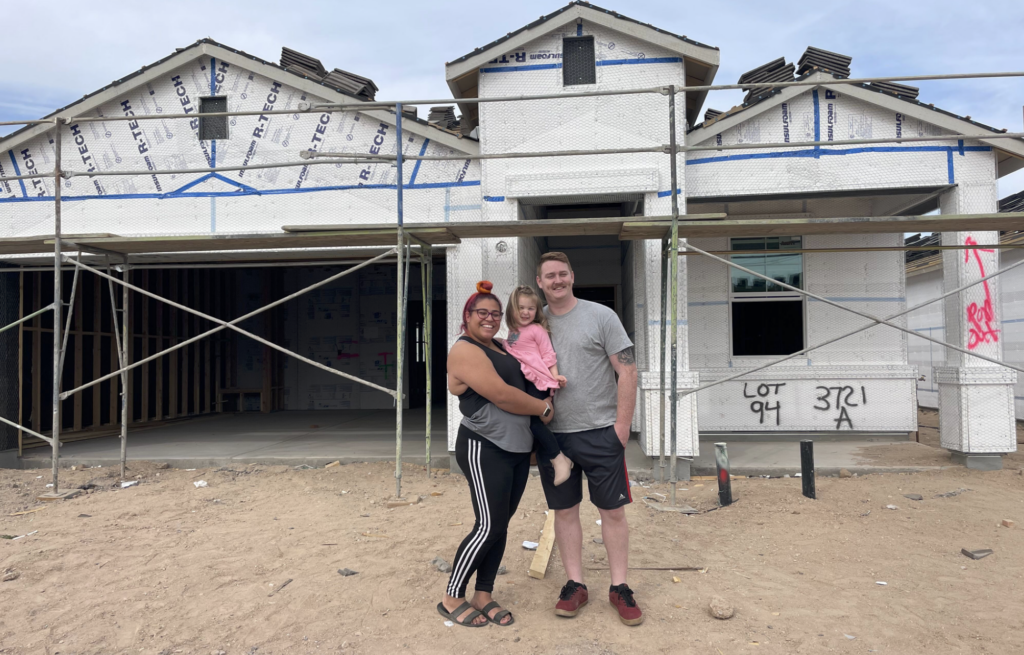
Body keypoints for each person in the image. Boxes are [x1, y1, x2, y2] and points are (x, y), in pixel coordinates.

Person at [438, 281, 555, 628]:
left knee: (500, 525)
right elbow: (503, 395)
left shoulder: (503, 346)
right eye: (481, 313)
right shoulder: (464, 350)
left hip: (515, 448)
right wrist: (543, 409)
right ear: (467, 316)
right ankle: (452, 596)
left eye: (494, 313)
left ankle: (483, 594)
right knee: (488, 525)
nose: (489, 319)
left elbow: (530, 372)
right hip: (483, 446)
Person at [534, 251, 642, 626]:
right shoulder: (534, 324)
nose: (557, 281)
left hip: (600, 432)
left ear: (573, 276)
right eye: (550, 276)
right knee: (563, 511)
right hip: (555, 438)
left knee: (612, 511)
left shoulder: (601, 316)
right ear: (540, 283)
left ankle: (620, 587)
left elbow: (627, 371)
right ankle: (575, 584)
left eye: (562, 274)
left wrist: (622, 427)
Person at [501, 285, 574, 486]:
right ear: (511, 309)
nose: (525, 312)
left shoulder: (536, 329)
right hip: (522, 380)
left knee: (532, 421)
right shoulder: (512, 331)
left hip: (537, 380)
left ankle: (558, 458)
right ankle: (535, 453)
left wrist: (556, 376)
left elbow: (548, 354)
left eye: (530, 308)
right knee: (521, 419)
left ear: (537, 311)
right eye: (520, 307)